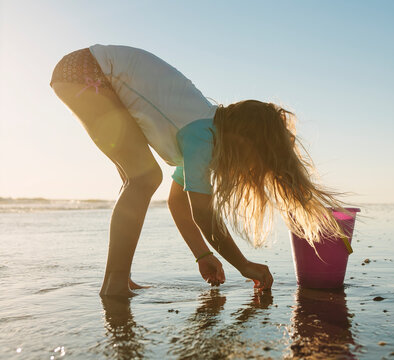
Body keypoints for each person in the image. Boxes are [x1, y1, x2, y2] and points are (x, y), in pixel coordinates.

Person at [50, 45, 345, 297]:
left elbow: (178, 202)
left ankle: (119, 277)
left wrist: (203, 255)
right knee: (144, 177)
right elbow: (202, 213)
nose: (253, 171)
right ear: (245, 142)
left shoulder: (200, 135)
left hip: (89, 72)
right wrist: (243, 265)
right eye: (258, 162)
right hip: (86, 71)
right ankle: (114, 283)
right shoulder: (203, 135)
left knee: (138, 177)